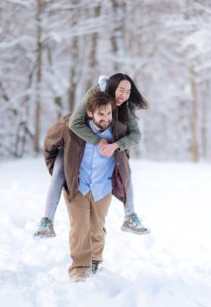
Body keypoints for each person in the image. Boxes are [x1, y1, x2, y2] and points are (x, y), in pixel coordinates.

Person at [34, 73, 151, 238]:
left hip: (105, 141)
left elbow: (136, 135)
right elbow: (75, 122)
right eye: (121, 90)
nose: (124, 95)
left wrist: (117, 145)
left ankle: (130, 216)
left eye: (128, 92)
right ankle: (47, 220)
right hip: (73, 137)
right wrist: (99, 141)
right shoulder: (95, 93)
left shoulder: (126, 106)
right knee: (60, 171)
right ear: (112, 86)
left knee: (124, 167)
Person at [43, 92, 126, 282]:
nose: (105, 119)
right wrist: (58, 169)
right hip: (77, 186)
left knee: (97, 228)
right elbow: (49, 143)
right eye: (100, 115)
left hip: (103, 187)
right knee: (80, 227)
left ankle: (95, 260)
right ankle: (79, 269)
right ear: (89, 112)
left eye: (108, 114)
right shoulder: (71, 125)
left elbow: (126, 149)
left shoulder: (117, 130)